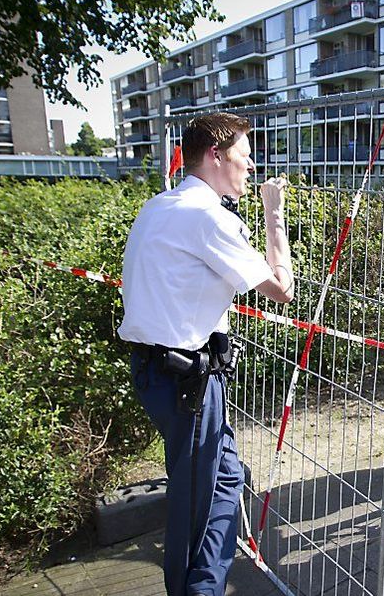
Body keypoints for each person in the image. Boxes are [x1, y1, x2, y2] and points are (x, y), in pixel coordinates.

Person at [118, 112, 294, 596]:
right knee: (196, 508)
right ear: (215, 156)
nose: (252, 166)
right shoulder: (210, 217)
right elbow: (282, 288)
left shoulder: (158, 206)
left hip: (160, 373)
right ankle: (196, 589)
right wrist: (274, 214)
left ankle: (203, 585)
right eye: (245, 155)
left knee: (226, 477)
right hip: (187, 385)